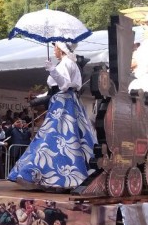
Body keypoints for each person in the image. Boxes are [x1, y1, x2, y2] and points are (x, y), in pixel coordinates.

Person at [8, 41, 96, 191]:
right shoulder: (67, 63)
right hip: (62, 102)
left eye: (56, 48)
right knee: (63, 139)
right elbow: (54, 91)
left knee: (54, 138)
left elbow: (64, 85)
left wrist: (52, 70)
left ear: (61, 49)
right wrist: (38, 98)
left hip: (63, 105)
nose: (54, 50)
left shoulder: (66, 64)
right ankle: (55, 176)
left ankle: (51, 176)